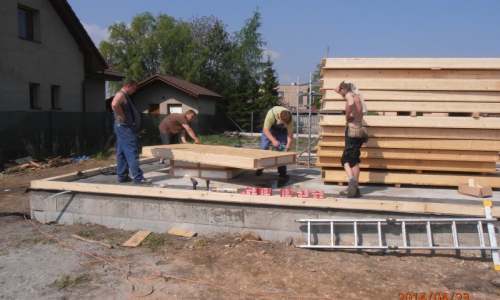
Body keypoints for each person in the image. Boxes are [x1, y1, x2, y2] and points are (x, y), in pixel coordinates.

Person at [111, 79, 151, 185]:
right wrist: (122, 115)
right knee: (132, 152)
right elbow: (114, 104)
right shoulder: (121, 94)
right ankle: (138, 177)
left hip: (123, 128)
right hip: (125, 129)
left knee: (122, 153)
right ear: (128, 86)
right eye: (134, 88)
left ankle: (122, 176)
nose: (134, 90)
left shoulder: (124, 95)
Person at [335, 80, 368, 198]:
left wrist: (347, 115)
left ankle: (351, 180)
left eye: (341, 91)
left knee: (345, 160)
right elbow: (338, 90)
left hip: (352, 130)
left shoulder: (350, 95)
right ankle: (355, 188)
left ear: (344, 89)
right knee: (354, 160)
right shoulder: (357, 96)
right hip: (359, 129)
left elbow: (349, 102)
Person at [255, 106, 294, 179]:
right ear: (280, 118)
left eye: (286, 123)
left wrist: (289, 144)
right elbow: (265, 130)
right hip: (269, 130)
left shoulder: (290, 119)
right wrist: (273, 140)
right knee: (264, 146)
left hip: (282, 131)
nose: (285, 124)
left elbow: (290, 133)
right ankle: (259, 169)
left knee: (283, 149)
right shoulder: (271, 115)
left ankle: (282, 172)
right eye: (283, 122)